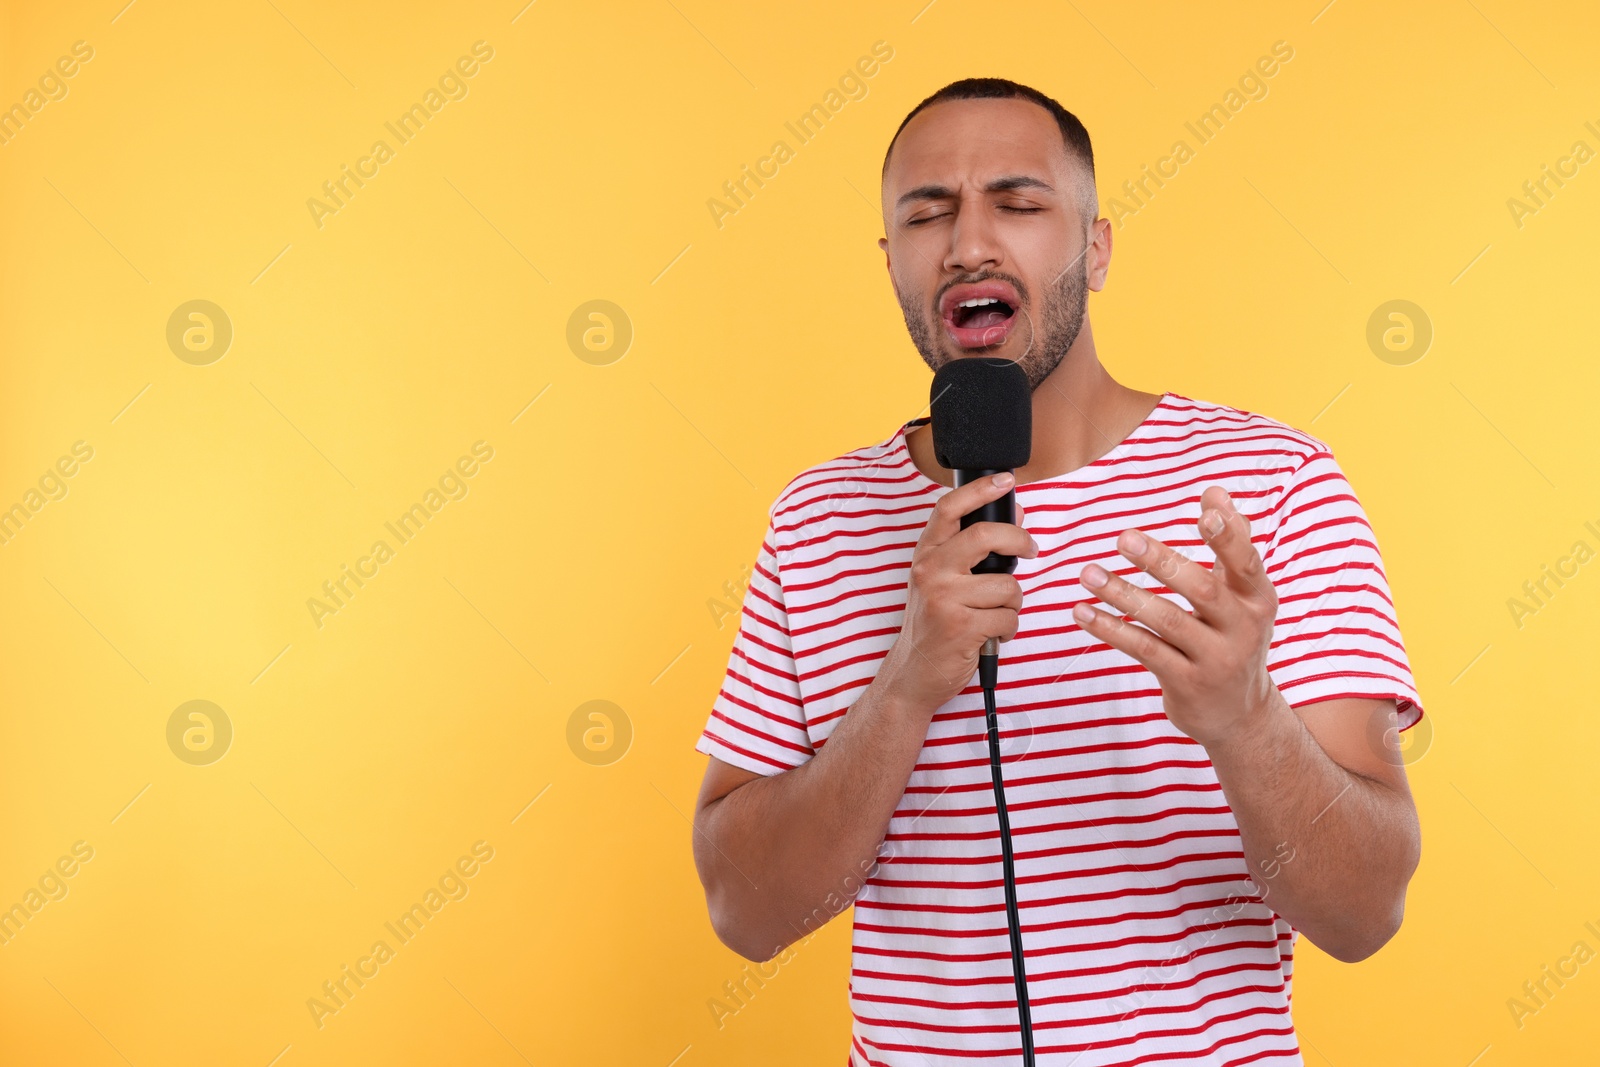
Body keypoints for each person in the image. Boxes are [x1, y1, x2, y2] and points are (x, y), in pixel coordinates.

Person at [689, 77, 1424, 1066]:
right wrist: (906, 682)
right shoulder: (821, 518)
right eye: (926, 212)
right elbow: (746, 911)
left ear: (1095, 246)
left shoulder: (1273, 485)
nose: (967, 243)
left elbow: (1364, 911)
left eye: (1019, 203)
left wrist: (1244, 717)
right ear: (893, 261)